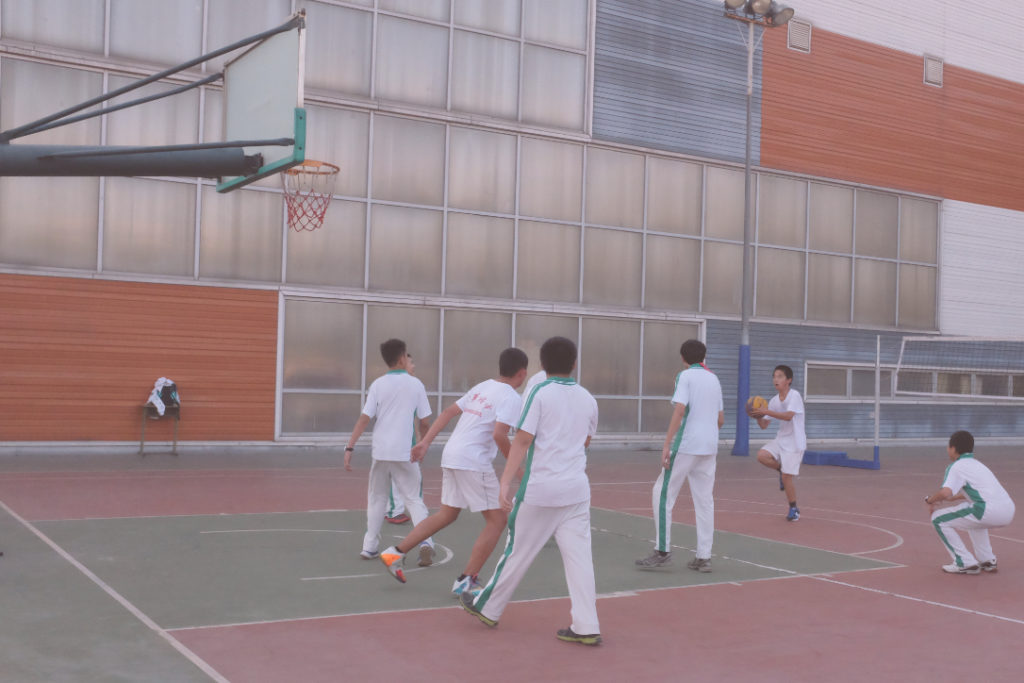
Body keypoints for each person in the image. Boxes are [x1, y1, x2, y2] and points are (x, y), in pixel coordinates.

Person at [460, 337, 602, 647]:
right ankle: (587, 625)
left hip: (541, 488)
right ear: (574, 364)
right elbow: (586, 441)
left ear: (542, 365)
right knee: (580, 559)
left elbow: (522, 440)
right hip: (576, 490)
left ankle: (489, 607)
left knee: (517, 550)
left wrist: (505, 481)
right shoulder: (588, 398)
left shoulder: (539, 392)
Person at [379, 347, 529, 596]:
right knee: (498, 520)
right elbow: (499, 434)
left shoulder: (483, 386)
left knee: (448, 514)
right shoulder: (512, 398)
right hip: (472, 460)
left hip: (452, 454)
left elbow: (449, 412)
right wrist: (518, 470)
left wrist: (425, 442)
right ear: (522, 373)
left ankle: (395, 553)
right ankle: (467, 580)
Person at [344, 339, 435, 566]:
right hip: (406, 451)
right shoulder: (415, 385)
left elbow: (365, 418)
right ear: (403, 357)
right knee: (414, 499)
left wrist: (349, 446)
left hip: (381, 451)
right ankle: (426, 543)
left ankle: (369, 546)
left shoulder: (377, 385)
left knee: (377, 498)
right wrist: (423, 443)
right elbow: (425, 421)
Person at [636, 339, 724, 572]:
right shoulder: (714, 379)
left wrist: (667, 444)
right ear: (703, 357)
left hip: (687, 444)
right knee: (704, 501)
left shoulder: (685, 377)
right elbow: (720, 419)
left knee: (662, 493)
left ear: (683, 358)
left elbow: (680, 409)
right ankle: (703, 557)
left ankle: (662, 550)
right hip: (710, 447)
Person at [925, 430, 1015, 574]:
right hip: (1008, 509)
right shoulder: (978, 465)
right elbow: (982, 491)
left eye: (948, 446)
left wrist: (930, 500)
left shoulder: (956, 466)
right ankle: (987, 560)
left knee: (938, 519)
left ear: (953, 448)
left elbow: (945, 492)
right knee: (973, 518)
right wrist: (956, 497)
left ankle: (964, 562)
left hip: (987, 510)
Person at [751, 364, 806, 521]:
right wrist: (756, 415)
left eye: (780, 376)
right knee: (762, 456)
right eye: (774, 376)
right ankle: (780, 470)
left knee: (787, 479)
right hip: (781, 439)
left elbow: (788, 416)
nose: (776, 379)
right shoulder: (774, 400)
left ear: (788, 380)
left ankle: (794, 508)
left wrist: (766, 411)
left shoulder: (794, 396)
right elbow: (763, 426)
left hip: (795, 443)